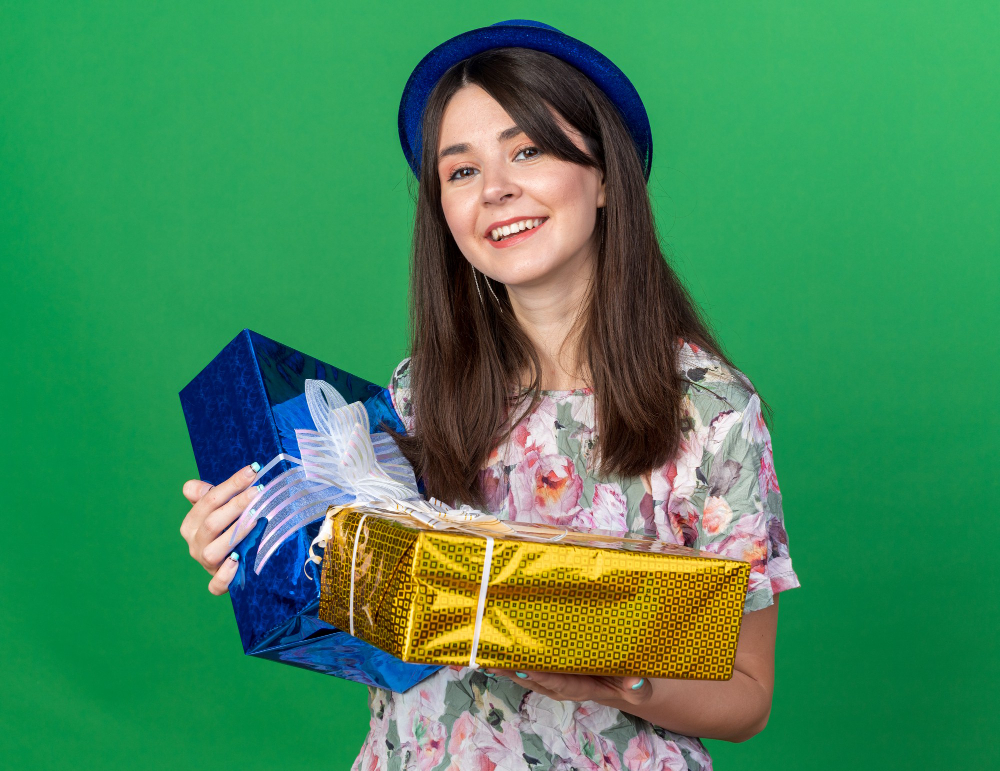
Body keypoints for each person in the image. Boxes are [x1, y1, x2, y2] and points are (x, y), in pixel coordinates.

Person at [180, 20, 800, 771]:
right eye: (462, 171)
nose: (496, 189)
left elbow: (748, 696)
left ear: (606, 176)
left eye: (527, 150)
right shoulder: (416, 393)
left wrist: (621, 680)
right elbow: (374, 625)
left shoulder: (709, 409)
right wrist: (258, 543)